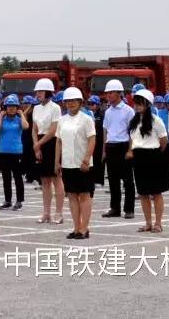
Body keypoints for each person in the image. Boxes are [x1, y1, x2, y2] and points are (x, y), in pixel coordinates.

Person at [55, 87, 96, 239]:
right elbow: (59, 141)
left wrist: (86, 158)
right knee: (72, 195)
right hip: (67, 163)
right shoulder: (62, 120)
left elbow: (92, 139)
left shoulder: (86, 119)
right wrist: (56, 161)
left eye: (74, 101)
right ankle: (76, 227)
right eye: (68, 101)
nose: (71, 103)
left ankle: (84, 229)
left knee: (84, 195)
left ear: (80, 102)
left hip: (83, 163)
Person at [127, 90, 169, 233]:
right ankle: (148, 223)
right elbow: (132, 139)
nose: (137, 106)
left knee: (156, 193)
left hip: (153, 156)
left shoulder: (156, 121)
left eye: (140, 103)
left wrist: (156, 155)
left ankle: (158, 223)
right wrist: (130, 150)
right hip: (138, 158)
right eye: (136, 103)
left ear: (148, 104)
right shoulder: (134, 121)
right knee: (143, 193)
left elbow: (164, 141)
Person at [100, 80, 135, 219]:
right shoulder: (108, 111)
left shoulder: (128, 111)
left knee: (127, 180)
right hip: (111, 146)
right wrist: (104, 150)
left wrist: (130, 150)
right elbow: (105, 131)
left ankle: (129, 209)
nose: (108, 95)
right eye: (107, 93)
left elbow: (132, 132)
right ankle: (115, 208)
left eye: (110, 92)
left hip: (124, 146)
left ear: (119, 93)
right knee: (113, 180)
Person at [30, 80, 63, 224]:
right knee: (44, 180)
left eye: (41, 92)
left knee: (56, 178)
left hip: (52, 142)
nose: (38, 94)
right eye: (37, 92)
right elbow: (34, 129)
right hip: (39, 142)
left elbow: (53, 130)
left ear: (48, 92)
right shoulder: (36, 109)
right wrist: (36, 146)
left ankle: (59, 213)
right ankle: (46, 212)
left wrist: (38, 144)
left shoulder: (55, 108)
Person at [0, 94, 27, 211]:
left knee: (18, 177)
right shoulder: (2, 120)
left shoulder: (19, 120)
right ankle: (7, 200)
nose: (11, 108)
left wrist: (22, 114)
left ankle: (19, 200)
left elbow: (25, 127)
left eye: (13, 106)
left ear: (17, 108)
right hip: (3, 151)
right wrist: (0, 116)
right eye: (8, 106)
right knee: (6, 177)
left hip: (16, 152)